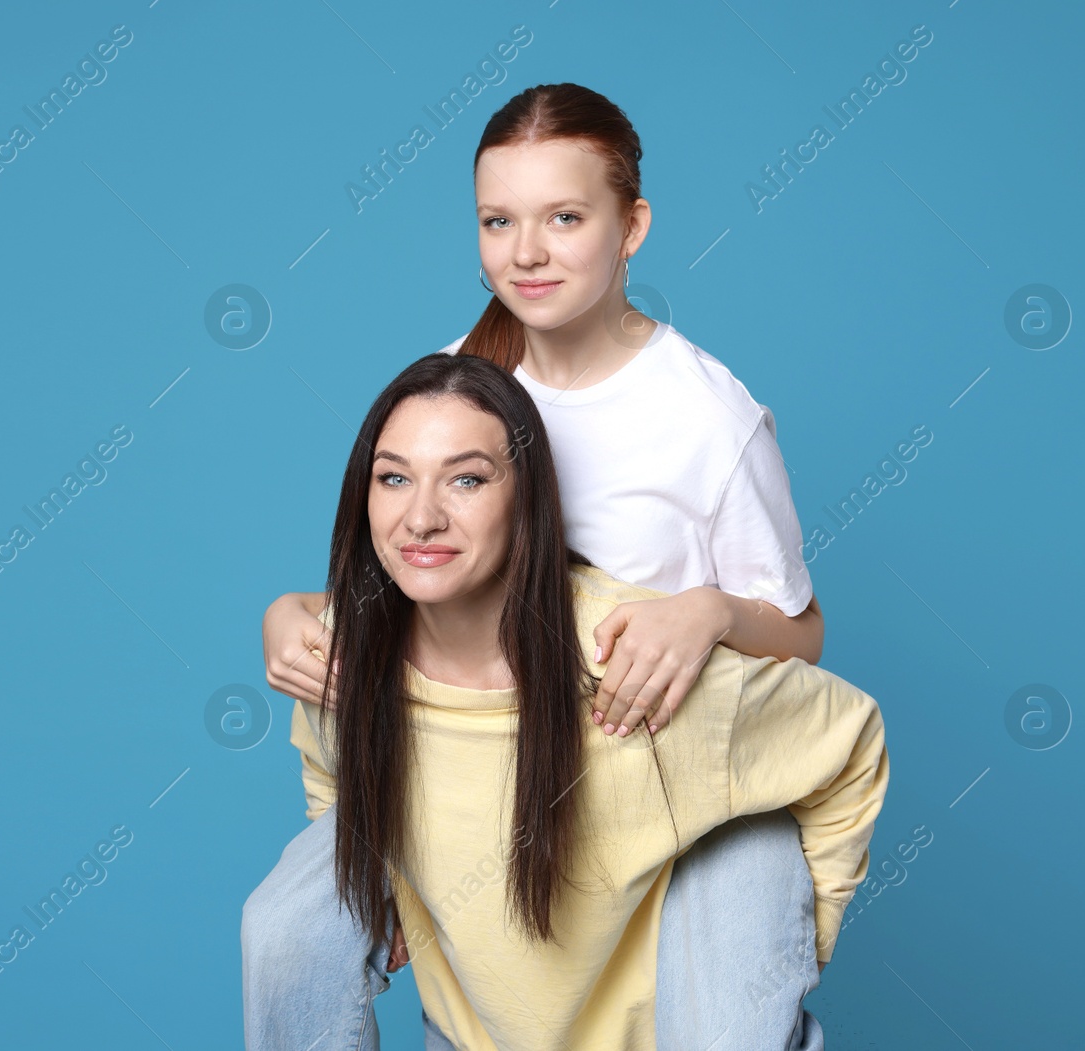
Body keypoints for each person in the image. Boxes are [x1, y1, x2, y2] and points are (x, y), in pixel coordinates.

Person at [251, 84, 828, 1048]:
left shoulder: (706, 416)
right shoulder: (456, 378)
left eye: (565, 217)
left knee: (730, 1016)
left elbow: (802, 638)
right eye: (498, 220)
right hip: (475, 766)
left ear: (631, 225)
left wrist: (711, 612)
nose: (526, 252)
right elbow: (415, 573)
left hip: (669, 765)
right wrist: (293, 609)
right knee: (284, 929)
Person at [252, 353, 887, 1050]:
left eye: (466, 478)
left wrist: (793, 951)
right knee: (281, 920)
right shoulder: (340, 654)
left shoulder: (634, 667)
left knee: (749, 864)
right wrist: (377, 888)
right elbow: (332, 771)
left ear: (526, 497)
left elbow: (850, 738)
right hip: (479, 1032)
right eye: (393, 477)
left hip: (662, 1030)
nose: (421, 516)